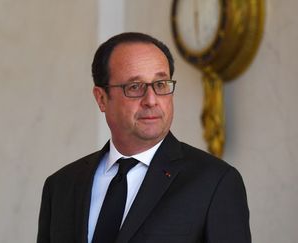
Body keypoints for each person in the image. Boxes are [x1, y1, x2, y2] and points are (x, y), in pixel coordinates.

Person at [37, 32, 251, 243]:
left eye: (161, 85)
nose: (151, 100)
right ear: (101, 99)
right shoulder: (60, 187)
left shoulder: (214, 182)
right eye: (135, 87)